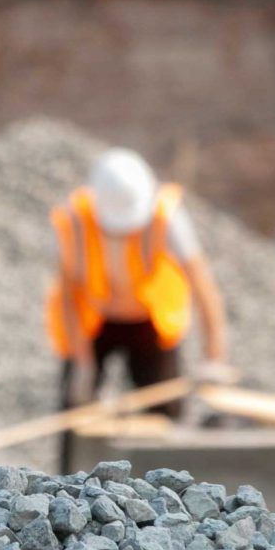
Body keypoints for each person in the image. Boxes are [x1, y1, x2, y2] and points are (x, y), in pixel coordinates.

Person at [45, 148, 229, 472]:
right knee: (76, 407)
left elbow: (205, 291)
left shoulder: (166, 219)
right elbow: (68, 296)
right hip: (95, 322)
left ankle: (169, 490)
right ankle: (69, 482)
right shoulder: (74, 221)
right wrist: (82, 362)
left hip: (148, 321)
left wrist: (213, 359)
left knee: (164, 413)